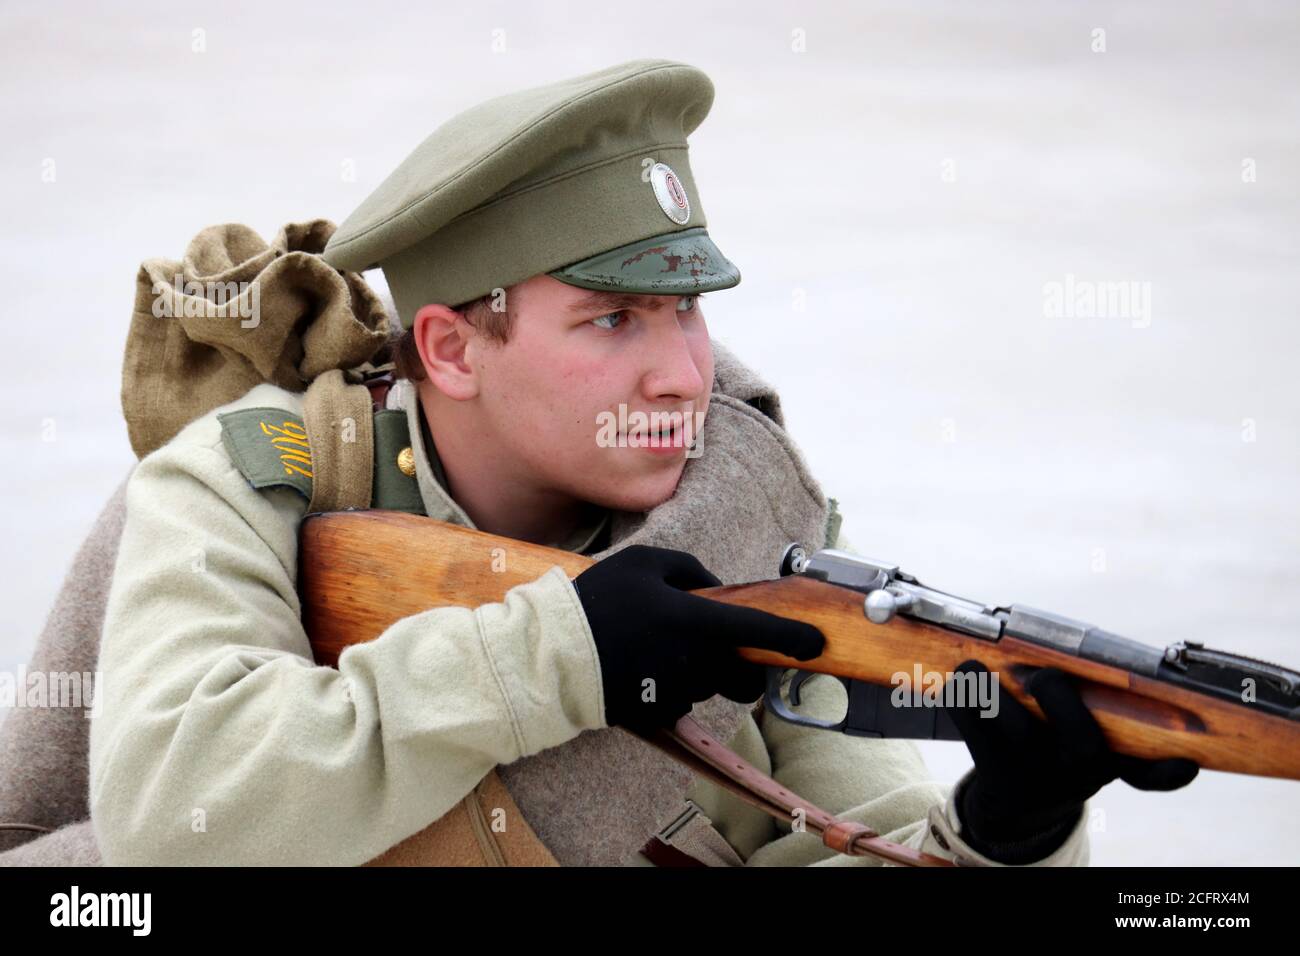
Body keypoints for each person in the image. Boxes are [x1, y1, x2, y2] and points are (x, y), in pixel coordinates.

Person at [85, 58, 1196, 868]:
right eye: (614, 321)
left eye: (686, 312)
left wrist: (1001, 835)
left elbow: (854, 841)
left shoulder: (747, 512)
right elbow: (168, 807)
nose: (683, 376)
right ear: (452, 348)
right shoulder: (259, 477)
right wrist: (564, 654)